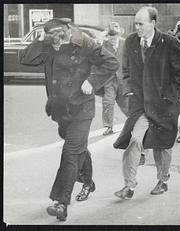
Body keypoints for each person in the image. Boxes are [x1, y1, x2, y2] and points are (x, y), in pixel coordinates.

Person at [20, 18, 119, 221]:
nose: (55, 44)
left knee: (70, 152)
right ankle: (88, 182)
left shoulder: (84, 43)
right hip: (60, 111)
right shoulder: (47, 45)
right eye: (51, 39)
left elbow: (112, 62)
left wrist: (92, 81)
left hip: (82, 108)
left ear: (65, 32)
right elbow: (26, 60)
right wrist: (40, 40)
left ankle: (61, 203)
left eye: (58, 38)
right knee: (77, 147)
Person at [113, 6, 180, 199]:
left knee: (161, 146)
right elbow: (126, 70)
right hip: (141, 106)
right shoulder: (131, 41)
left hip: (164, 106)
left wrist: (169, 98)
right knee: (134, 140)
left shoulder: (169, 43)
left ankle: (163, 180)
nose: (136, 27)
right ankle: (129, 186)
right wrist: (129, 90)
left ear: (153, 23)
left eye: (141, 23)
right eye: (135, 23)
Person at [99, 22, 129, 136]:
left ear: (118, 35)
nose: (112, 38)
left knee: (125, 103)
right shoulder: (104, 45)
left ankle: (132, 121)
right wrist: (102, 38)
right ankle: (108, 126)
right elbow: (97, 56)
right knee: (108, 102)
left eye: (114, 35)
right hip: (109, 79)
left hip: (122, 78)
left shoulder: (125, 44)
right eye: (110, 35)